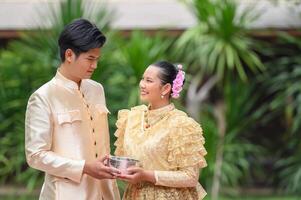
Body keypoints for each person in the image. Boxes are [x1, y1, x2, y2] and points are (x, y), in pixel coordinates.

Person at [25, 18, 120, 200]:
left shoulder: (96, 89)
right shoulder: (43, 97)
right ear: (69, 55)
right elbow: (35, 155)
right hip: (67, 194)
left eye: (97, 59)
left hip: (106, 193)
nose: (95, 65)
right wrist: (84, 167)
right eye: (90, 59)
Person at [114, 61, 207, 199]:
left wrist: (146, 175)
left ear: (165, 88)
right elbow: (126, 161)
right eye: (142, 79)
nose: (141, 84)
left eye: (149, 80)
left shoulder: (181, 125)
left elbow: (190, 177)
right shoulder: (131, 117)